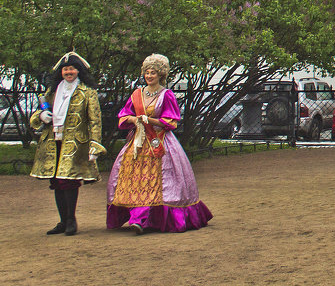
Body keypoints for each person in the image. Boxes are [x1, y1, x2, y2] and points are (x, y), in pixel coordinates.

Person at [107, 54, 213, 233]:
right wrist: (134, 119)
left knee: (156, 181)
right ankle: (137, 217)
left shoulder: (166, 95)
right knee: (136, 180)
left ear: (160, 75)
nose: (149, 76)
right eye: (147, 73)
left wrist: (150, 120)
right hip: (137, 143)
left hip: (160, 142)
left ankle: (143, 219)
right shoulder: (136, 94)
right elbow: (123, 116)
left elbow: (171, 122)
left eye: (153, 73)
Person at [30, 51, 105, 236]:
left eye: (72, 68)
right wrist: (41, 116)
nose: (68, 72)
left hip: (75, 143)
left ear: (78, 71)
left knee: (69, 180)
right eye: (65, 69)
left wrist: (95, 144)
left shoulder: (87, 92)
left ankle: (71, 220)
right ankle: (63, 221)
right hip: (52, 141)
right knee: (56, 181)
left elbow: (95, 120)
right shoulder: (53, 91)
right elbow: (36, 114)